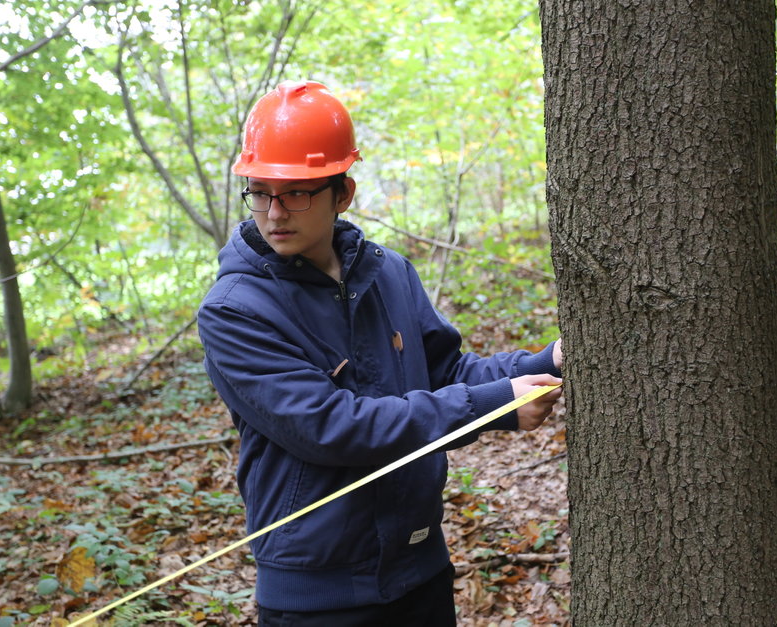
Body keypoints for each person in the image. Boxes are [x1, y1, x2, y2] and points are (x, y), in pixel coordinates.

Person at [196, 80, 563, 626]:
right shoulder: (234, 311)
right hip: (319, 595)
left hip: (419, 569)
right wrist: (493, 404)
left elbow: (446, 371)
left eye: (296, 192)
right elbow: (330, 427)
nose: (274, 212)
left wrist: (545, 362)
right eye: (260, 191)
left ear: (341, 193)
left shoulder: (387, 272)